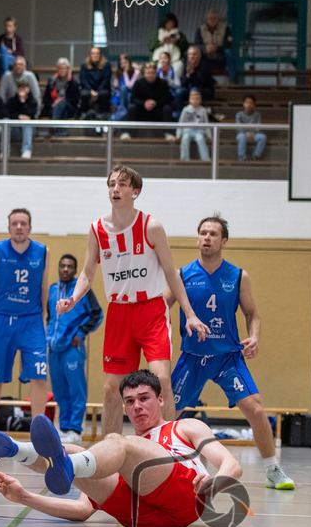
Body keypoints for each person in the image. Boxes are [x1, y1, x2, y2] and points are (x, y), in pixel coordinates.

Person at [0, 369, 242, 527]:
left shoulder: (185, 426)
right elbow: (81, 510)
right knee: (77, 450)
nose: (137, 406)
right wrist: (25, 497)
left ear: (162, 399)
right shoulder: (121, 456)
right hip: (139, 518)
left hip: (186, 499)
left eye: (144, 398)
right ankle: (13, 449)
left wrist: (214, 484)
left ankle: (61, 462)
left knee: (114, 444)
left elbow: (232, 464)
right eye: (129, 401)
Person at [56, 166, 208, 435]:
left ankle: (169, 447)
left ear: (135, 192)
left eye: (122, 184)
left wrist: (191, 313)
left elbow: (172, 274)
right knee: (112, 389)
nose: (115, 189)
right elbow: (88, 273)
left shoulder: (151, 226)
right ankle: (109, 454)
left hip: (151, 310)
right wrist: (73, 298)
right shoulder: (97, 229)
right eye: (112, 184)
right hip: (119, 313)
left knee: (161, 379)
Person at [167, 216, 295, 490]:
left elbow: (252, 314)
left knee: (256, 409)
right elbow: (157, 309)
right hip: (193, 357)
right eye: (203, 233)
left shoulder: (237, 276)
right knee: (165, 416)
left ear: (223, 241)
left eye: (213, 234)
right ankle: (152, 467)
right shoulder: (181, 275)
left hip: (227, 357)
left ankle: (273, 470)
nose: (207, 238)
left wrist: (255, 337)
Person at [0, 208, 49, 427]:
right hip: (1, 321)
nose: (19, 227)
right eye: (15, 223)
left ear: (30, 228)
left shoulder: (42, 251)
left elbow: (44, 287)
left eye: (23, 223)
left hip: (32, 321)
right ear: (9, 228)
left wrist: (44, 317)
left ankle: (39, 430)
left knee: (39, 377)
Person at [46, 254, 103, 443]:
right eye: (62, 266)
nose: (65, 269)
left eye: (70, 266)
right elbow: (50, 318)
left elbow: (97, 314)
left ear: (75, 269)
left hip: (72, 347)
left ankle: (76, 429)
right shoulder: (53, 290)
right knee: (59, 390)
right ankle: (63, 427)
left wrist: (80, 333)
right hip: (54, 348)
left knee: (76, 389)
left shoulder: (81, 291)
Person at [122, 62, 174, 140]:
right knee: (132, 108)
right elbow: (134, 99)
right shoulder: (138, 83)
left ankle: (168, 133)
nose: (150, 75)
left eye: (153, 73)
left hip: (157, 111)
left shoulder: (163, 83)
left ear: (156, 73)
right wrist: (144, 104)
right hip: (142, 111)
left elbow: (167, 98)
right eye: (148, 73)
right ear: (145, 73)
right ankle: (128, 133)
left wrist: (155, 103)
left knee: (167, 108)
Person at [194, 9, 235, 83]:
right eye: (210, 18)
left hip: (220, 56)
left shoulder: (225, 29)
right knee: (194, 53)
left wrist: (217, 48)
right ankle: (197, 81)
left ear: (218, 19)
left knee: (228, 52)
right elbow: (197, 44)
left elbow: (228, 44)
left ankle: (233, 81)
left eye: (214, 18)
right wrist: (205, 49)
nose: (212, 20)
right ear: (207, 20)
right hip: (205, 56)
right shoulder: (200, 30)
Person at [41, 58, 80, 129]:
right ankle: (59, 131)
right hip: (52, 107)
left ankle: (54, 127)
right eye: (60, 68)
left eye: (64, 68)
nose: (62, 70)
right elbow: (46, 99)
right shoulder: (51, 82)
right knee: (58, 108)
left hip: (68, 108)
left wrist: (61, 100)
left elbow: (75, 100)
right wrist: (53, 104)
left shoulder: (73, 83)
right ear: (57, 69)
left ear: (68, 69)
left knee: (61, 104)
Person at [5, 79, 37, 160]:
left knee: (27, 122)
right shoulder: (11, 101)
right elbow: (6, 113)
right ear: (17, 89)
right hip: (14, 128)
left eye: (24, 87)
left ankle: (26, 150)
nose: (22, 90)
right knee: (6, 121)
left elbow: (31, 115)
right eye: (20, 87)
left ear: (28, 89)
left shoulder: (32, 101)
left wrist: (23, 101)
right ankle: (5, 150)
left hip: (29, 129)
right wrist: (18, 117)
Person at [177, 46, 215, 112]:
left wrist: (193, 73)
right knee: (179, 92)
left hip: (205, 90)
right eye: (190, 54)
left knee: (194, 90)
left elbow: (201, 82)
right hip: (189, 90)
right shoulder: (186, 65)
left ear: (199, 56)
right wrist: (188, 74)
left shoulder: (204, 65)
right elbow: (183, 83)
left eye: (194, 54)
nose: (192, 56)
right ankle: (179, 116)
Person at [176, 90, 212, 161]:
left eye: (197, 99)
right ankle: (184, 158)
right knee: (185, 139)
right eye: (193, 98)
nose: (195, 101)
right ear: (189, 100)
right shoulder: (186, 110)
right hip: (187, 131)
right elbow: (181, 122)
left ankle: (205, 158)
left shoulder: (203, 110)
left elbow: (206, 123)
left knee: (201, 139)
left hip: (199, 131)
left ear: (200, 100)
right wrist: (178, 135)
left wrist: (209, 136)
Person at [79, 47, 112, 118]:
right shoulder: (84, 66)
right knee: (84, 94)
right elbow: (83, 80)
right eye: (93, 54)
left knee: (104, 94)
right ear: (90, 55)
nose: (95, 55)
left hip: (102, 89)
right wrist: (91, 91)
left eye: (97, 54)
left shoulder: (106, 65)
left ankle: (103, 114)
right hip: (88, 89)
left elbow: (106, 80)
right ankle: (85, 114)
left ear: (100, 55)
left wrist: (98, 92)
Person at [235, 94, 265, 161]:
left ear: (254, 105)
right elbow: (238, 127)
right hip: (242, 134)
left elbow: (258, 127)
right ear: (243, 104)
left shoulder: (257, 115)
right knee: (241, 136)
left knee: (262, 137)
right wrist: (246, 133)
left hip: (253, 134)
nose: (249, 105)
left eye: (251, 103)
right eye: (247, 103)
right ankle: (242, 156)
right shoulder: (239, 115)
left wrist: (253, 133)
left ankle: (256, 155)